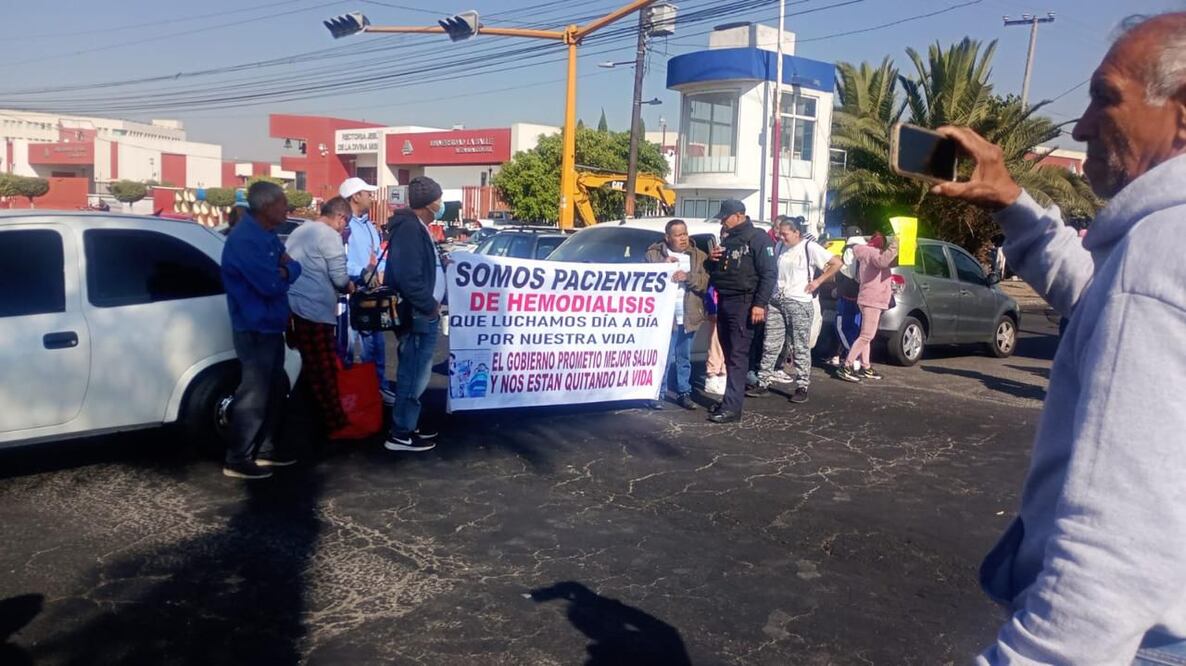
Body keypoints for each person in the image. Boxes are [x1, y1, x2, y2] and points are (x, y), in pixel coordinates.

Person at [929, 13, 1186, 663]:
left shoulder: (1158, 253)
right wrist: (1012, 202)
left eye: (1107, 98)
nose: (1081, 127)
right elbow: (1100, 300)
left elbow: (1115, 560)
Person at [219, 181, 302, 479]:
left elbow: (292, 268)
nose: (286, 208)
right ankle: (238, 457)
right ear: (266, 206)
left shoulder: (266, 235)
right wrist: (286, 271)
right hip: (254, 327)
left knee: (275, 388)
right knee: (254, 393)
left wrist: (286, 270)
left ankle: (265, 449)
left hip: (271, 325)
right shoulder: (247, 240)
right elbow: (270, 284)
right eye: (282, 203)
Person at [384, 176, 448, 452]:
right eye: (439, 198)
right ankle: (400, 433)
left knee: (416, 373)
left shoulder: (418, 227)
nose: (442, 203)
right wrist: (430, 305)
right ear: (430, 203)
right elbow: (409, 277)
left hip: (422, 312)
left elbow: (419, 267)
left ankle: (408, 424)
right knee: (413, 373)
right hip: (419, 314)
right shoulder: (410, 229)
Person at [749, 217, 842, 403]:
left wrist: (817, 282)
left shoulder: (809, 247)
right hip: (777, 300)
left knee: (800, 345)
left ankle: (802, 385)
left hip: (799, 301)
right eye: (779, 234)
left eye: (785, 234)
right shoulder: (779, 248)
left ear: (796, 233)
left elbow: (836, 263)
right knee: (771, 342)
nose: (781, 237)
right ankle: (763, 381)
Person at [285, 196, 354, 436]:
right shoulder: (329, 235)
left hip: (294, 308)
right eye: (346, 224)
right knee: (324, 372)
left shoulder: (299, 231)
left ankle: (304, 421)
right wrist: (350, 287)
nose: (344, 229)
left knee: (307, 370)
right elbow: (340, 278)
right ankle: (334, 423)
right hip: (316, 311)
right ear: (340, 218)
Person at [705, 200, 776, 424]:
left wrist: (760, 304)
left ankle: (732, 408)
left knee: (737, 356)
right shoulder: (728, 239)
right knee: (729, 354)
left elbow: (769, 274)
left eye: (725, 217)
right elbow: (719, 271)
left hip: (745, 303)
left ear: (738, 215)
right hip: (726, 299)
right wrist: (711, 260)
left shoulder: (758, 238)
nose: (722, 221)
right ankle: (729, 401)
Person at [645, 219, 709, 411]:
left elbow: (705, 282)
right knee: (663, 357)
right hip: (665, 316)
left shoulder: (699, 256)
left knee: (684, 357)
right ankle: (658, 393)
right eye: (678, 235)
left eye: (685, 234)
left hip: (688, 315)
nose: (683, 238)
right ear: (668, 237)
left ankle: (684, 393)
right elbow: (645, 278)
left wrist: (687, 277)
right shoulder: (653, 254)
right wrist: (663, 267)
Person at [340, 177, 394, 405]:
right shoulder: (344, 226)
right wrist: (362, 273)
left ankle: (377, 387)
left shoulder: (369, 226)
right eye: (367, 193)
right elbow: (340, 261)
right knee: (348, 347)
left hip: (372, 295)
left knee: (376, 344)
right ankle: (350, 393)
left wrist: (382, 272)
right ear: (355, 197)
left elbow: (377, 257)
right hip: (349, 294)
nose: (371, 197)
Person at [835, 231, 899, 383]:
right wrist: (896, 243)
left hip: (869, 298)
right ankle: (847, 365)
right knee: (866, 336)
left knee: (866, 336)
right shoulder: (872, 253)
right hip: (872, 299)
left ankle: (866, 366)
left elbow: (889, 261)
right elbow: (883, 262)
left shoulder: (866, 252)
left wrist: (906, 249)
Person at [827, 228, 867, 367]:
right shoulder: (867, 248)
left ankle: (852, 357)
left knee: (842, 327)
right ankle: (860, 361)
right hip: (862, 295)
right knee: (857, 329)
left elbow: (848, 273)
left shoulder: (849, 249)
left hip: (848, 294)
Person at [703, 286, 727, 396]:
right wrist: (712, 309)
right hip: (717, 307)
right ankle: (711, 376)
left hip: (730, 308)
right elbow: (711, 289)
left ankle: (723, 373)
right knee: (715, 343)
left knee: (727, 344)